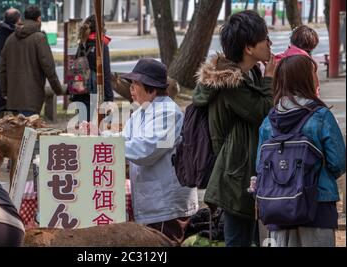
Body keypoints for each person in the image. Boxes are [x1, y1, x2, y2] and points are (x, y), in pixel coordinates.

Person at [82, 59, 199, 245]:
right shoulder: (141, 112)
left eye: (136, 84)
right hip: (151, 201)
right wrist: (100, 134)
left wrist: (104, 141)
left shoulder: (168, 113)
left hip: (166, 205)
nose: (131, 89)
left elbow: (145, 150)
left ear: (152, 89)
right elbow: (126, 137)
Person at [193, 10, 275, 247]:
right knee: (238, 240)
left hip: (244, 170)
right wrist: (270, 78)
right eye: (265, 38)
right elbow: (263, 112)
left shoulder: (250, 73)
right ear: (249, 48)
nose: (269, 44)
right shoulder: (231, 81)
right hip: (234, 175)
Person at [256, 55, 346, 247]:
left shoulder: (268, 122)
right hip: (318, 205)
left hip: (278, 206)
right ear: (306, 78)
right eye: (313, 73)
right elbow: (338, 162)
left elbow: (260, 166)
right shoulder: (321, 117)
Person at [0, 5, 64, 116]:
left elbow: (2, 68)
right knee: (29, 131)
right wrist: (58, 89)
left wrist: (5, 92)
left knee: (17, 131)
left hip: (13, 98)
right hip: (32, 97)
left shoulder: (10, 39)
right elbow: (48, 66)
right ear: (39, 19)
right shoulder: (39, 38)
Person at [70, 14, 114, 122]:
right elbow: (106, 74)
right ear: (101, 27)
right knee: (95, 127)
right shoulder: (101, 45)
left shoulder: (82, 44)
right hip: (95, 91)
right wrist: (109, 98)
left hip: (79, 90)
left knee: (82, 124)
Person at [275, 25, 320, 95]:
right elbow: (314, 89)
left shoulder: (280, 58)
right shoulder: (308, 63)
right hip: (303, 101)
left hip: (281, 101)